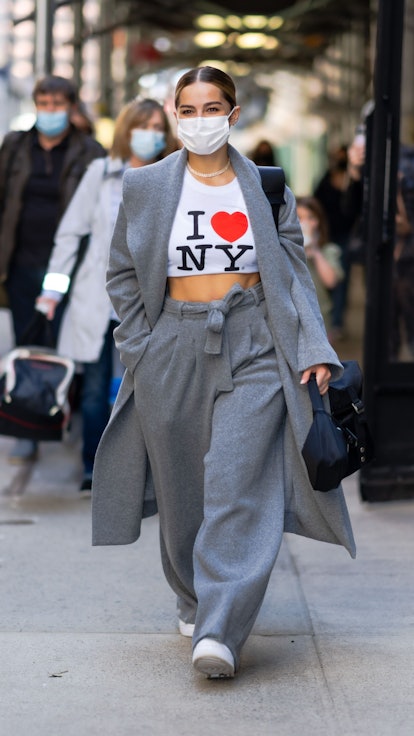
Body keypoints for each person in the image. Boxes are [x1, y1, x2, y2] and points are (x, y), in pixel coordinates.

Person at [91, 66, 355, 680]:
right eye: (190, 108)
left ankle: (220, 627)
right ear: (174, 113)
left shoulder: (266, 186)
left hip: (256, 342)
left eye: (214, 108)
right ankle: (193, 595)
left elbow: (291, 273)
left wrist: (312, 346)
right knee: (185, 488)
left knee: (237, 482)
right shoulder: (146, 185)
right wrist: (141, 344)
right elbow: (123, 273)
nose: (201, 119)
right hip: (171, 344)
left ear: (233, 115)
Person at [36, 98, 176, 492]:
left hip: (151, 300)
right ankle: (94, 469)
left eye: (156, 127)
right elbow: (70, 233)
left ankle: (148, 472)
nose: (149, 135)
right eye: (142, 125)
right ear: (126, 129)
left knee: (149, 389)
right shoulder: (100, 174)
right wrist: (52, 290)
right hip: (96, 297)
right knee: (96, 389)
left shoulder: (172, 176)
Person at [0, 74, 106, 463]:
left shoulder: (90, 151)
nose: (50, 111)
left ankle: (68, 415)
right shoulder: (14, 146)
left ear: (71, 107)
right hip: (22, 261)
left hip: (72, 265)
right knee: (30, 341)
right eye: (43, 103)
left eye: (57, 104)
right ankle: (28, 423)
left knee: (71, 343)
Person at [314, 145, 356, 340]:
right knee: (325, 280)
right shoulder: (325, 180)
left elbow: (355, 209)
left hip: (346, 237)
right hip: (327, 237)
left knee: (340, 281)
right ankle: (329, 320)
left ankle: (336, 322)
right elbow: (318, 204)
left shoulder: (353, 182)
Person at [296, 196, 344, 337]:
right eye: (299, 217)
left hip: (320, 322)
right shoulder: (283, 250)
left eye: (310, 218)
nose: (304, 223)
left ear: (318, 222)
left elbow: (331, 281)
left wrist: (314, 251)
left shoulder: (328, 250)